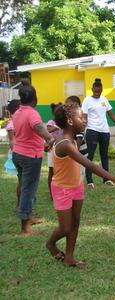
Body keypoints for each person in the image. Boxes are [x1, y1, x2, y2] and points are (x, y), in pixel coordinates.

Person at [46, 103, 115, 268]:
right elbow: (90, 166)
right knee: (65, 227)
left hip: (76, 186)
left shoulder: (72, 139)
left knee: (75, 222)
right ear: (70, 121)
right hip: (61, 189)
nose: (85, 120)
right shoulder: (65, 143)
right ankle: (51, 244)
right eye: (81, 117)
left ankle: (69, 257)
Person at [12, 85, 55, 236]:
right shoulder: (32, 114)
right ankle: (25, 228)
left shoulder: (17, 112)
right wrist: (50, 138)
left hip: (18, 154)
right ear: (34, 98)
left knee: (25, 186)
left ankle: (29, 217)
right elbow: (38, 127)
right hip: (30, 157)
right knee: (28, 190)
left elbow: (27, 132)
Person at [82, 78, 115, 189]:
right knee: (90, 156)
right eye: (95, 91)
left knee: (104, 155)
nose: (97, 93)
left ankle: (106, 179)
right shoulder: (87, 100)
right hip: (92, 131)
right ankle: (89, 181)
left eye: (99, 91)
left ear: (102, 90)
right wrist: (82, 130)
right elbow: (84, 117)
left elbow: (112, 115)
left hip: (104, 131)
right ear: (92, 89)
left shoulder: (104, 100)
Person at [4, 99, 21, 210]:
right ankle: (19, 205)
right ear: (17, 109)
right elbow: (12, 141)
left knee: (22, 180)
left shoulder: (18, 120)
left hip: (21, 153)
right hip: (18, 153)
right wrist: (16, 153)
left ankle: (19, 205)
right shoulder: (12, 123)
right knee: (22, 181)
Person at [65, 96, 88, 177]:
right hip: (73, 152)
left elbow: (79, 138)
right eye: (66, 106)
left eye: (69, 106)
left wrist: (74, 153)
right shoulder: (70, 119)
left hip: (80, 153)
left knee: (79, 175)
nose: (67, 108)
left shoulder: (79, 121)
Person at [47, 103, 63, 201]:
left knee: (60, 171)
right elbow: (49, 129)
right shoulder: (51, 122)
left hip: (61, 149)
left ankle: (60, 191)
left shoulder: (64, 123)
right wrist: (57, 125)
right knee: (51, 171)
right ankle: (52, 194)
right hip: (52, 149)